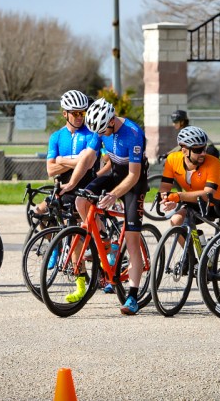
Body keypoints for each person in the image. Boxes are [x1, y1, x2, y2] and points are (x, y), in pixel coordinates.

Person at [60, 98, 148, 315]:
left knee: (132, 240)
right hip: (115, 174)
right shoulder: (100, 127)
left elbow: (134, 175)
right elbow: (88, 158)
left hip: (134, 181)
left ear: (111, 121)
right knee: (81, 200)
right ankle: (105, 240)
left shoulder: (133, 133)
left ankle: (132, 296)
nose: (101, 135)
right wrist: (72, 183)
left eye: (103, 131)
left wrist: (113, 195)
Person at [158, 126, 220, 311]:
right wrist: (164, 199)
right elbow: (165, 186)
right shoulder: (172, 160)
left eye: (204, 148)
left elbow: (208, 194)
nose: (203, 153)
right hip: (196, 201)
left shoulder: (213, 162)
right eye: (198, 150)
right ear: (184, 150)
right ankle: (191, 260)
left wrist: (178, 196)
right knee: (175, 221)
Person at [33, 90, 97, 218]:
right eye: (76, 113)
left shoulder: (91, 134)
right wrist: (77, 160)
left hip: (85, 189)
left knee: (75, 226)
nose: (80, 117)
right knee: (38, 213)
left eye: (83, 113)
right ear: (65, 114)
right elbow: (50, 170)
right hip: (63, 189)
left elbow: (88, 164)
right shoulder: (56, 136)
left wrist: (61, 160)